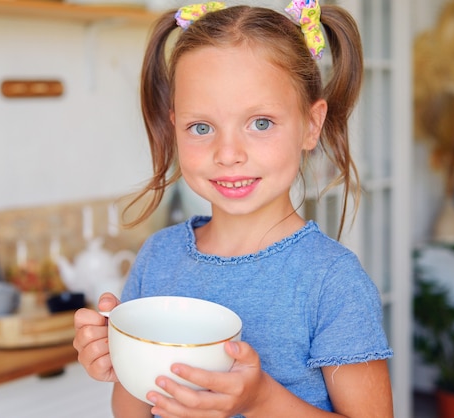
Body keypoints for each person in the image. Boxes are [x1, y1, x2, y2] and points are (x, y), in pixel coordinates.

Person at [73, 0, 394, 416]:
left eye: (260, 123)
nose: (228, 153)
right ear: (174, 127)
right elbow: (134, 409)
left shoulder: (331, 281)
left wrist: (262, 399)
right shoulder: (158, 258)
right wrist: (118, 358)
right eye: (201, 127)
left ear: (311, 125)